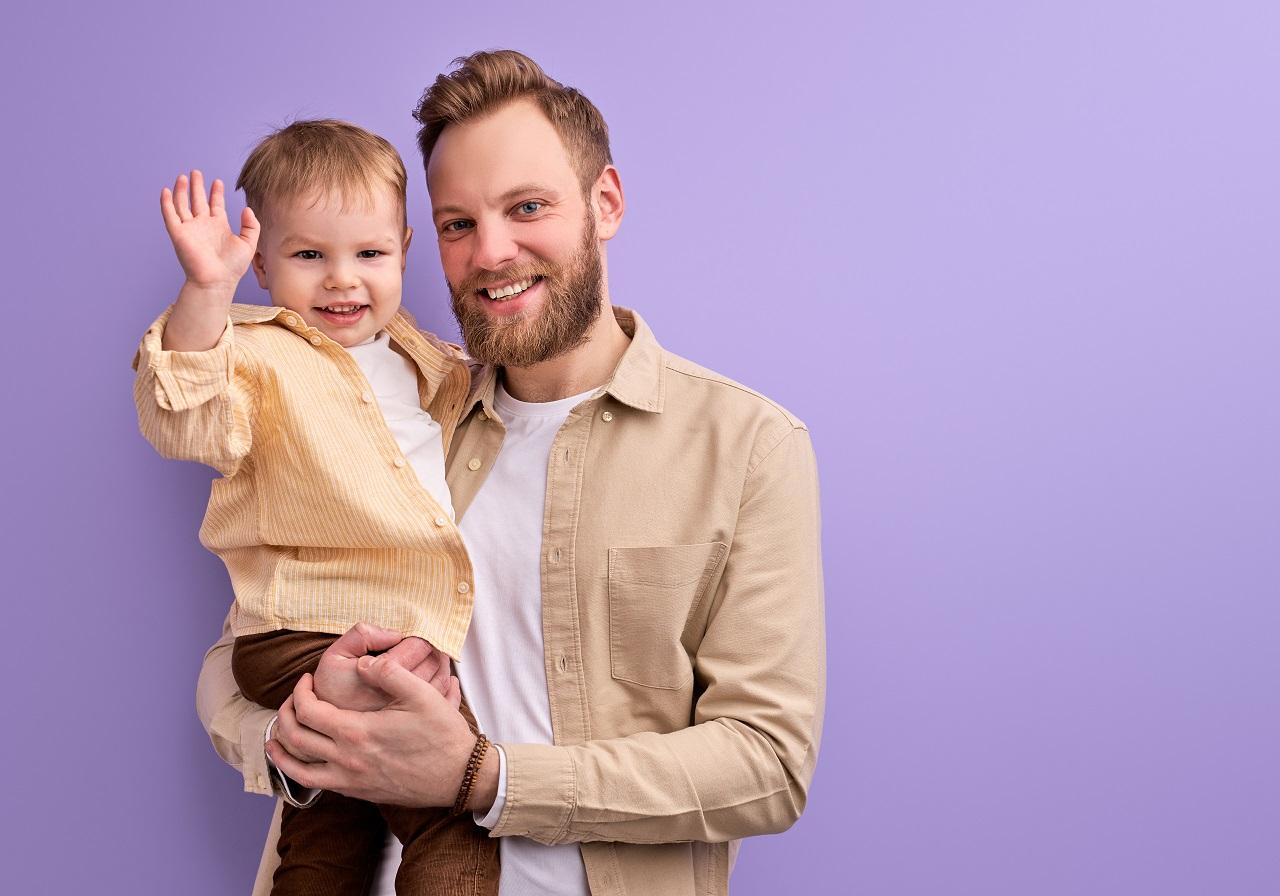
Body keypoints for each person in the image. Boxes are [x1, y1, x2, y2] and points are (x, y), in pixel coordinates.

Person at [198, 50, 826, 896]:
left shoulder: (746, 445)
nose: (492, 252)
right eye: (458, 224)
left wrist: (483, 779)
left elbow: (769, 764)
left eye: (527, 207)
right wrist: (303, 728)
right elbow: (233, 660)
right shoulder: (404, 419)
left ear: (605, 203)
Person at [135, 120, 500, 895]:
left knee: (331, 829)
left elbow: (476, 415)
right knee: (449, 814)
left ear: (403, 249)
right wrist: (206, 291)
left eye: (368, 254)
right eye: (309, 256)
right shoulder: (258, 351)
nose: (342, 280)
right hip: (307, 628)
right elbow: (185, 418)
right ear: (261, 262)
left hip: (381, 628)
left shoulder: (420, 356)